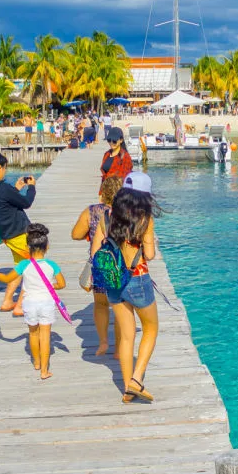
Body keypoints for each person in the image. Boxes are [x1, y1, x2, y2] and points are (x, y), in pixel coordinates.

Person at [90, 172, 159, 403]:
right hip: (137, 278)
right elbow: (149, 254)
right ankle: (137, 380)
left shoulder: (107, 215)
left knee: (126, 337)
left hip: (113, 283)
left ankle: (127, 389)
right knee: (150, 329)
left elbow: (96, 251)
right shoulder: (145, 218)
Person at [0, 223, 65, 380]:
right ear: (47, 247)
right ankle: (44, 370)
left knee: (33, 334)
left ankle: (36, 362)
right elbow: (62, 284)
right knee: (45, 336)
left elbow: (7, 278)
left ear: (28, 247)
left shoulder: (23, 265)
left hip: (29, 303)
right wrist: (50, 286)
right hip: (46, 302)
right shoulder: (51, 265)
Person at [0, 151, 37, 316]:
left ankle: (7, 300)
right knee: (33, 267)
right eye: (4, 168)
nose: (5, 171)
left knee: (20, 267)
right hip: (20, 232)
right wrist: (31, 187)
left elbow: (2, 203)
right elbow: (26, 202)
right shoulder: (2, 188)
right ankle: (20, 305)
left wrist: (16, 189)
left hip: (6, 235)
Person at [71, 176, 124, 357]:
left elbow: (76, 234)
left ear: (102, 193)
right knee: (120, 307)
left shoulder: (92, 211)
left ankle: (103, 343)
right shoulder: (126, 213)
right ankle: (119, 348)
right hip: (120, 267)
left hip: (99, 264)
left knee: (101, 305)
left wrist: (90, 234)